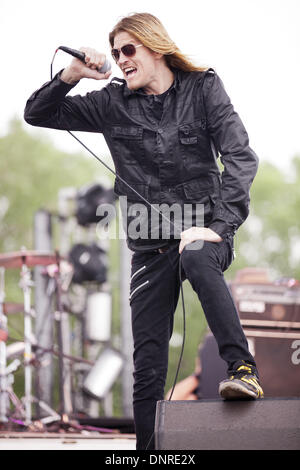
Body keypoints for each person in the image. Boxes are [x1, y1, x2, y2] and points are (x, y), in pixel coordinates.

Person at [24, 12, 264, 450]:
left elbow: (241, 157)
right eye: (115, 53)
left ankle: (241, 369)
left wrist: (219, 226)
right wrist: (73, 73)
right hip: (148, 244)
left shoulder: (203, 88)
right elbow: (37, 113)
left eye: (128, 50)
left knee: (194, 255)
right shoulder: (111, 102)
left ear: (156, 48)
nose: (121, 59)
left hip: (203, 232)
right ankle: (147, 454)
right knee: (147, 362)